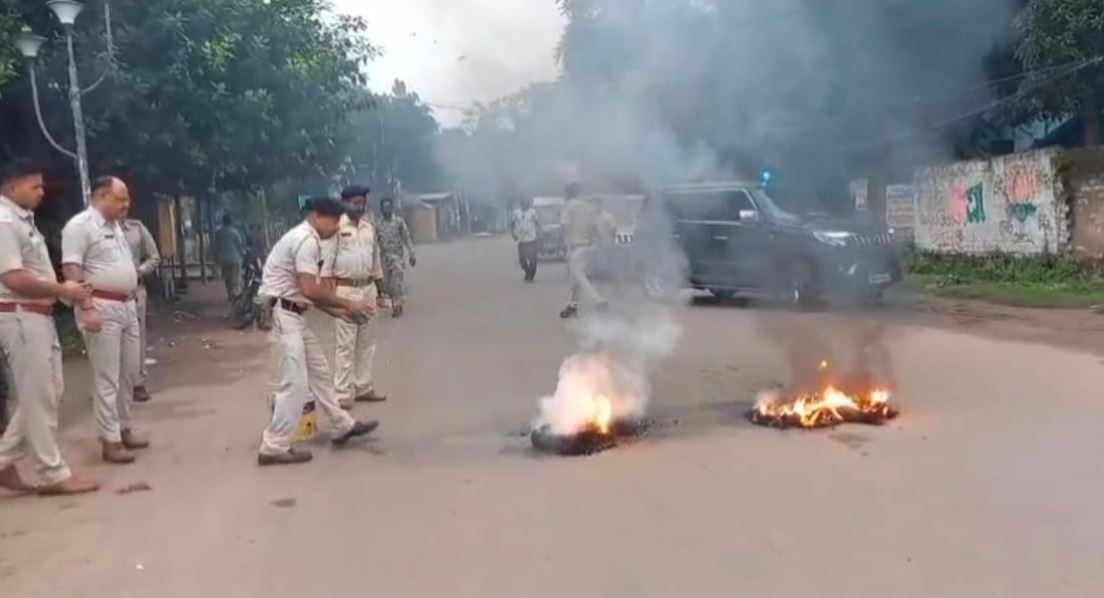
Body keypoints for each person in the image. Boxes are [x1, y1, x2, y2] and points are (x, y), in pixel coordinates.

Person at [0, 159, 100, 495]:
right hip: (20, 316)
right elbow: (13, 277)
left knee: (48, 392)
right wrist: (62, 289)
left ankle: (4, 459)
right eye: (35, 186)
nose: (41, 192)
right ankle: (52, 472)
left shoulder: (21, 220)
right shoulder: (4, 221)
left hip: (37, 316)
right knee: (39, 396)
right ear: (12, 185)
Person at [256, 197, 379, 466]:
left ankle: (342, 425)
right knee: (295, 383)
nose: (336, 227)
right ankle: (273, 446)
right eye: (333, 221)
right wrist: (348, 304)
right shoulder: (306, 241)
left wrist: (338, 311)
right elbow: (311, 289)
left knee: (320, 372)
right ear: (316, 216)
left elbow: (305, 292)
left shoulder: (310, 239)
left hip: (293, 312)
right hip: (283, 315)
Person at [62, 176, 149, 465]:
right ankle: (109, 439)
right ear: (101, 196)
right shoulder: (80, 226)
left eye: (127, 199)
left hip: (127, 304)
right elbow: (72, 268)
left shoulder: (116, 227)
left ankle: (124, 428)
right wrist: (87, 307)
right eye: (120, 199)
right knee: (107, 376)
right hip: (101, 304)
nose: (126, 204)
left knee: (129, 372)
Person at [327, 185, 387, 408]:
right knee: (345, 344)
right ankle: (342, 393)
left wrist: (381, 289)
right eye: (355, 203)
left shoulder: (369, 228)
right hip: (345, 290)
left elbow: (375, 260)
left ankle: (363, 386)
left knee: (367, 342)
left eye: (363, 203)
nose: (360, 207)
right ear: (344, 203)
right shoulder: (335, 228)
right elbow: (326, 261)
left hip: (367, 288)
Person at [122, 212, 160, 403]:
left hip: (135, 292)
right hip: (105, 296)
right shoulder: (93, 231)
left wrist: (139, 271)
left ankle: (138, 383)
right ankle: (114, 385)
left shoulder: (136, 229)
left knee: (137, 338)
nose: (123, 205)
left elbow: (154, 257)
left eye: (125, 201)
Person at [559, 183, 605, 318]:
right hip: (588, 246)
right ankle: (572, 306)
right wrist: (597, 241)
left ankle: (597, 300)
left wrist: (563, 245)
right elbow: (595, 228)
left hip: (576, 247)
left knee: (579, 276)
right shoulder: (587, 207)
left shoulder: (569, 206)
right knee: (576, 280)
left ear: (567, 193)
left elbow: (564, 226)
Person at [376, 197, 416, 318]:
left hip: (397, 258)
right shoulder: (378, 224)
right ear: (381, 209)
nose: (386, 210)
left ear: (392, 208)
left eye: (388, 207)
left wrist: (412, 253)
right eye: (384, 208)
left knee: (397, 283)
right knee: (387, 286)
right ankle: (395, 299)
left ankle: (397, 306)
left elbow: (407, 238)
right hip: (384, 259)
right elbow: (373, 243)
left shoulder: (399, 222)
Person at [214, 214, 247, 306]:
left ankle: (230, 294)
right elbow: (239, 245)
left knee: (227, 278)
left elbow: (216, 246)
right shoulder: (235, 232)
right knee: (235, 278)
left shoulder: (218, 232)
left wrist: (216, 257)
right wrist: (243, 254)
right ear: (230, 222)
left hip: (224, 259)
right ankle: (234, 295)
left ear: (223, 221)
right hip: (234, 259)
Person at [513, 197, 541, 282]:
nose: (525, 205)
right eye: (524, 203)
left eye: (527, 203)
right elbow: (512, 223)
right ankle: (527, 272)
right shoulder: (516, 212)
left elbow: (537, 223)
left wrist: (539, 232)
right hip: (521, 239)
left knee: (532, 259)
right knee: (522, 259)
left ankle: (531, 275)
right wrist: (513, 233)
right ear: (521, 204)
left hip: (531, 239)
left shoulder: (532, 212)